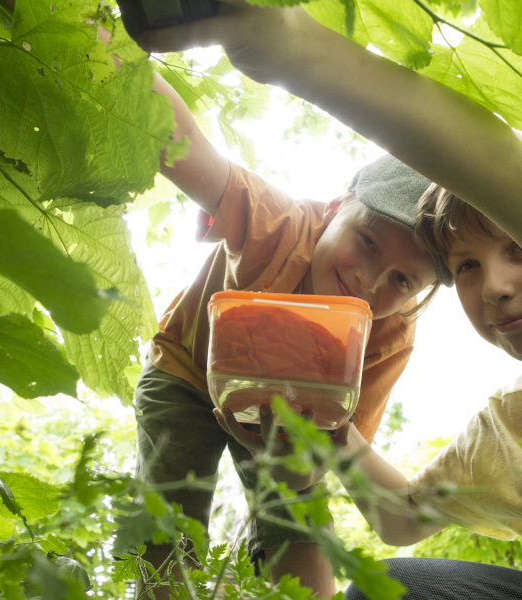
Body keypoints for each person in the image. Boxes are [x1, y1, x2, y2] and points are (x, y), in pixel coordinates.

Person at [138, 3, 522, 599]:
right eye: (466, 266)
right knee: (391, 587)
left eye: (520, 249)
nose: (492, 286)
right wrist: (325, 436)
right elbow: (402, 517)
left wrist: (281, 45)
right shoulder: (511, 426)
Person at [133, 56, 453, 598]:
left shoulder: (388, 336)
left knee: (302, 530)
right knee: (170, 526)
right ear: (333, 210)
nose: (369, 282)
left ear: (421, 293)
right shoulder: (278, 226)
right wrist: (111, 61)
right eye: (368, 242)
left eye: (403, 279)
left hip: (290, 421)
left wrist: (287, 469)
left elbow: (324, 453)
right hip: (188, 374)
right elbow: (183, 146)